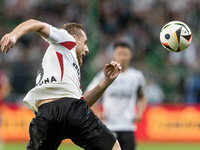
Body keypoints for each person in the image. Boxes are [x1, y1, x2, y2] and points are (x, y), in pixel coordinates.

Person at [0, 19, 122, 150]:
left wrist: (105, 83)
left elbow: (82, 103)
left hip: (45, 116)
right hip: (69, 109)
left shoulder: (61, 64)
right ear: (74, 38)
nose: (87, 49)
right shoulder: (67, 40)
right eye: (85, 43)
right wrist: (14, 34)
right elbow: (36, 24)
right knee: (113, 147)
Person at [85, 41, 148, 150]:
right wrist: (98, 112)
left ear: (130, 55)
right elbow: (88, 94)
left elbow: (142, 97)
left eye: (125, 54)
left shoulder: (137, 77)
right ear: (114, 55)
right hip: (109, 126)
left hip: (128, 126)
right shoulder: (105, 75)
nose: (122, 57)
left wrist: (140, 112)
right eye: (119, 54)